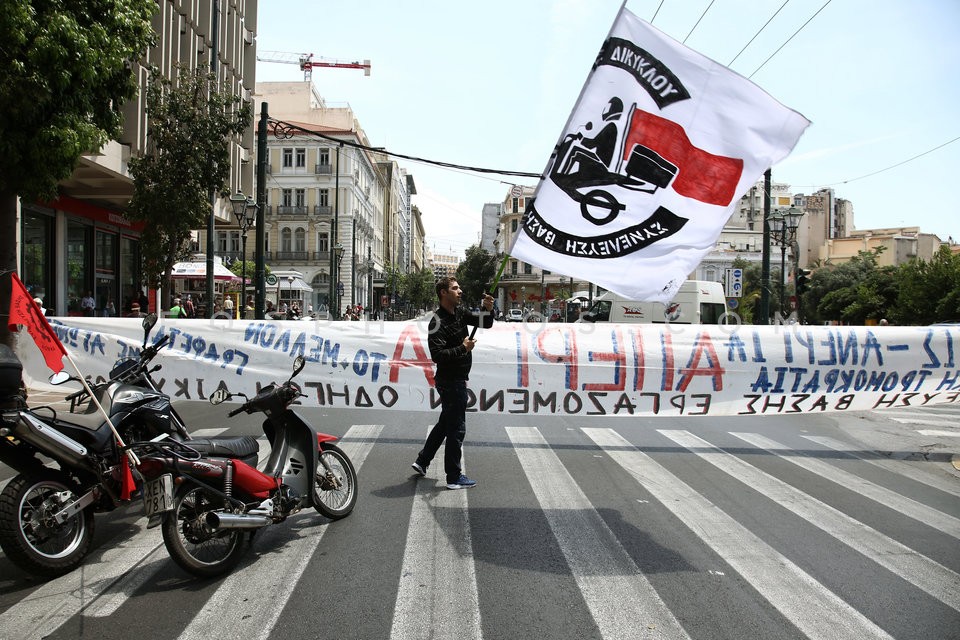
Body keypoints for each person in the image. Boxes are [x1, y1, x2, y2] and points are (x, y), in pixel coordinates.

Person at [411, 277, 495, 489]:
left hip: (457, 378)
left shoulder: (459, 313)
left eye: (459, 288)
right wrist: (462, 349)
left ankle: (422, 461)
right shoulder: (436, 322)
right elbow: (437, 355)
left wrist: (488, 308)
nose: (460, 291)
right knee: (456, 429)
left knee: (445, 424)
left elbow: (485, 322)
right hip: (450, 380)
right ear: (443, 293)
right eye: (455, 288)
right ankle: (453, 477)